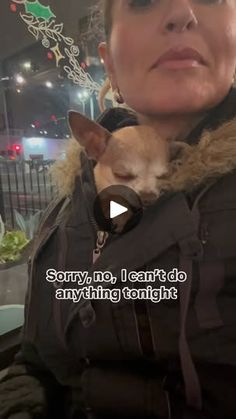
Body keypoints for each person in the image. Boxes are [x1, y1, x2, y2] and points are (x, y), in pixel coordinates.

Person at [1, 0, 236, 418]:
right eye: (144, 1)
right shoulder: (71, 200)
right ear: (108, 61)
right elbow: (36, 364)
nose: (183, 12)